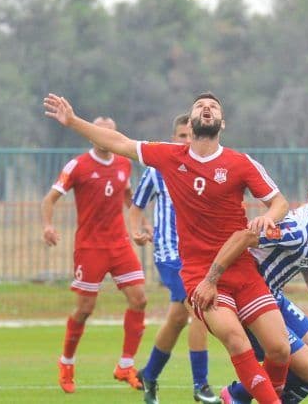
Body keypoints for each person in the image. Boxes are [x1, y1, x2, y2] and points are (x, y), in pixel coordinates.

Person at [44, 91, 292, 404]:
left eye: (213, 106)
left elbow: (280, 202)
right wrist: (73, 121)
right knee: (236, 340)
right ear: (190, 121)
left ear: (222, 123)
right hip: (199, 273)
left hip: (241, 268)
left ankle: (238, 396)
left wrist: (267, 217)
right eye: (200, 105)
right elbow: (118, 142)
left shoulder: (240, 163)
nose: (206, 108)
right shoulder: (170, 156)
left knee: (280, 350)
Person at [194, 163, 308, 404]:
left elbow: (306, 258)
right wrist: (210, 280)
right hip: (254, 301)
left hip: (276, 297)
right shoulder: (295, 230)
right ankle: (236, 395)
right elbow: (243, 237)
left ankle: (238, 395)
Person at [41, 116, 146, 394]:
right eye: (102, 133)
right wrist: (48, 226)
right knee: (85, 309)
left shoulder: (124, 162)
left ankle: (125, 365)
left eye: (112, 133)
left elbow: (126, 194)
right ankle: (66, 362)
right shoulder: (78, 166)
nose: (108, 138)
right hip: (90, 247)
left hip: (120, 244)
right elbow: (49, 198)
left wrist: (139, 223)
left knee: (139, 300)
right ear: (92, 136)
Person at [129, 114, 221, 404]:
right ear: (174, 138)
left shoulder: (207, 170)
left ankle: (150, 375)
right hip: (170, 255)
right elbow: (136, 206)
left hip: (198, 255)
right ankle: (201, 385)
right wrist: (137, 230)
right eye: (181, 135)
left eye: (190, 135)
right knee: (199, 308)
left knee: (178, 318)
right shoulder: (158, 169)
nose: (186, 140)